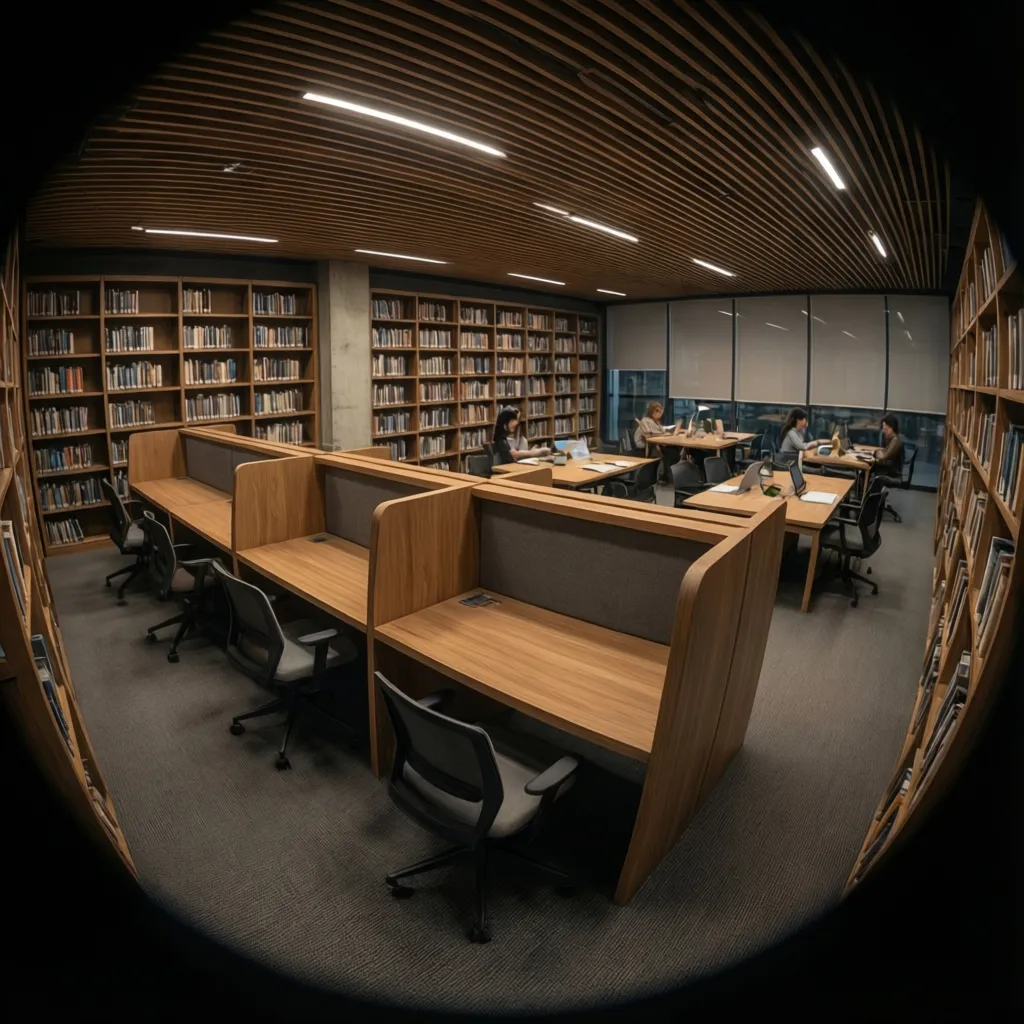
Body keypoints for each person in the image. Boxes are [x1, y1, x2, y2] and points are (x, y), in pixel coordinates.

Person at [873, 413, 905, 480]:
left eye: (885, 428)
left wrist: (876, 452)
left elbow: (883, 457)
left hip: (891, 472)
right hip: (888, 468)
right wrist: (879, 452)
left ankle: (868, 489)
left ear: (891, 427)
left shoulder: (896, 440)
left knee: (869, 468)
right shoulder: (893, 438)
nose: (884, 431)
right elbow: (884, 452)